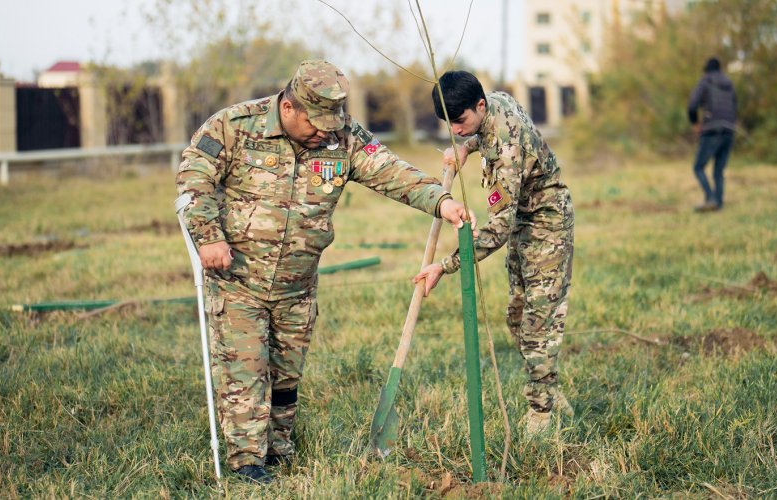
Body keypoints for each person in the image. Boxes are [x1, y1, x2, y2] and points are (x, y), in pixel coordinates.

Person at [176, 60, 473, 484]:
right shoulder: (234, 126)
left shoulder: (344, 138)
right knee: (245, 371)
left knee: (286, 373)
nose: (324, 131)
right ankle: (247, 462)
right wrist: (208, 237)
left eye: (331, 122)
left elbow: (392, 172)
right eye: (315, 122)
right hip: (239, 278)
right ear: (290, 106)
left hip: (298, 284)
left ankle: (278, 449)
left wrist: (441, 201)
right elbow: (193, 179)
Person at [413, 71, 574, 437]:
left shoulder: (506, 150)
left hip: (547, 223)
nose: (455, 130)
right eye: (449, 124)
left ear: (480, 106)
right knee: (517, 316)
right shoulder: (493, 101)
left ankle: (541, 411)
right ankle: (549, 387)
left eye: (461, 122)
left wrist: (446, 264)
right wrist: (466, 147)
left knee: (537, 322)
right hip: (522, 219)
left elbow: (498, 229)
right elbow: (478, 131)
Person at [688, 57, 737, 212]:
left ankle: (711, 199)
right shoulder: (729, 84)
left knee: (698, 167)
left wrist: (695, 123)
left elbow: (692, 105)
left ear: (706, 70)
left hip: (712, 130)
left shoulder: (705, 81)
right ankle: (719, 203)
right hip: (729, 129)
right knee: (719, 170)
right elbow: (735, 106)